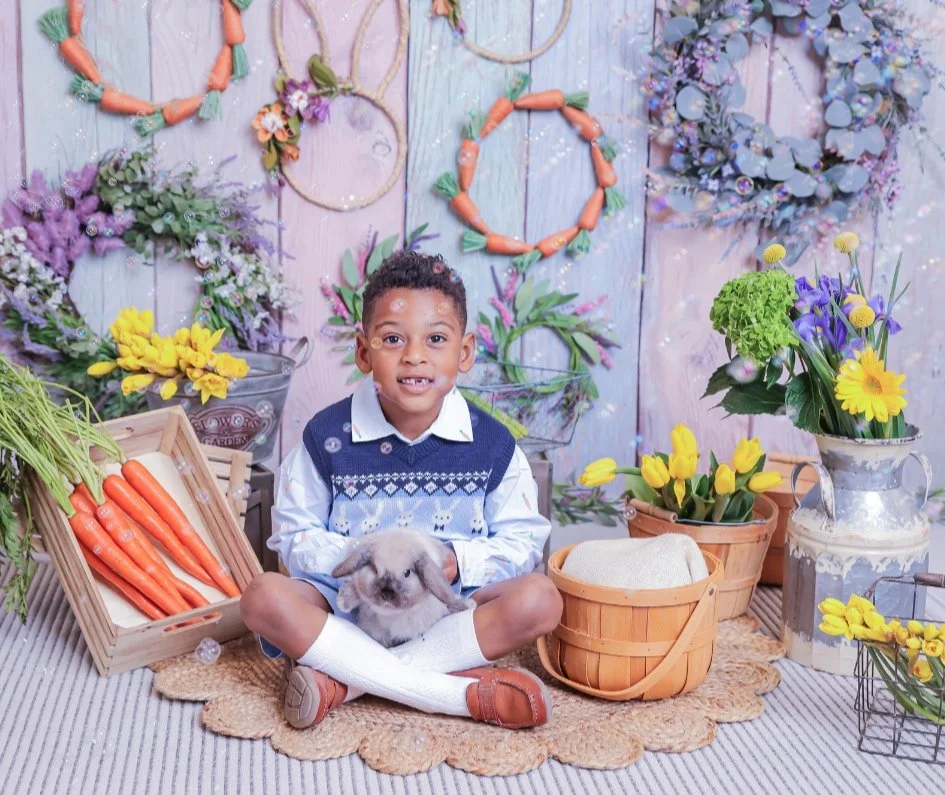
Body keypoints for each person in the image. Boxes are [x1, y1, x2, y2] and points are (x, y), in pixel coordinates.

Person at [240, 250, 562, 731]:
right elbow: (294, 532)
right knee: (263, 596)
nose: (414, 355)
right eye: (393, 339)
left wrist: (455, 563)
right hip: (349, 607)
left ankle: (345, 681)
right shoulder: (328, 435)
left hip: (449, 615)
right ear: (364, 351)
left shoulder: (492, 445)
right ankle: (452, 694)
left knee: (542, 599)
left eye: (436, 339)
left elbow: (521, 542)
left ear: (465, 351)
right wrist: (365, 561)